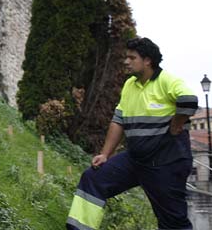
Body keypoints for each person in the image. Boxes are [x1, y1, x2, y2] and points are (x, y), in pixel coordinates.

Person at [66, 37, 199, 230]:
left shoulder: (167, 81)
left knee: (173, 223)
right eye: (126, 57)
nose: (126, 61)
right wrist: (105, 154)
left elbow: (189, 100)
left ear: (147, 60)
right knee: (93, 178)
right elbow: (118, 120)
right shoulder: (130, 85)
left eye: (131, 57)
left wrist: (177, 123)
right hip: (135, 160)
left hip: (166, 163)